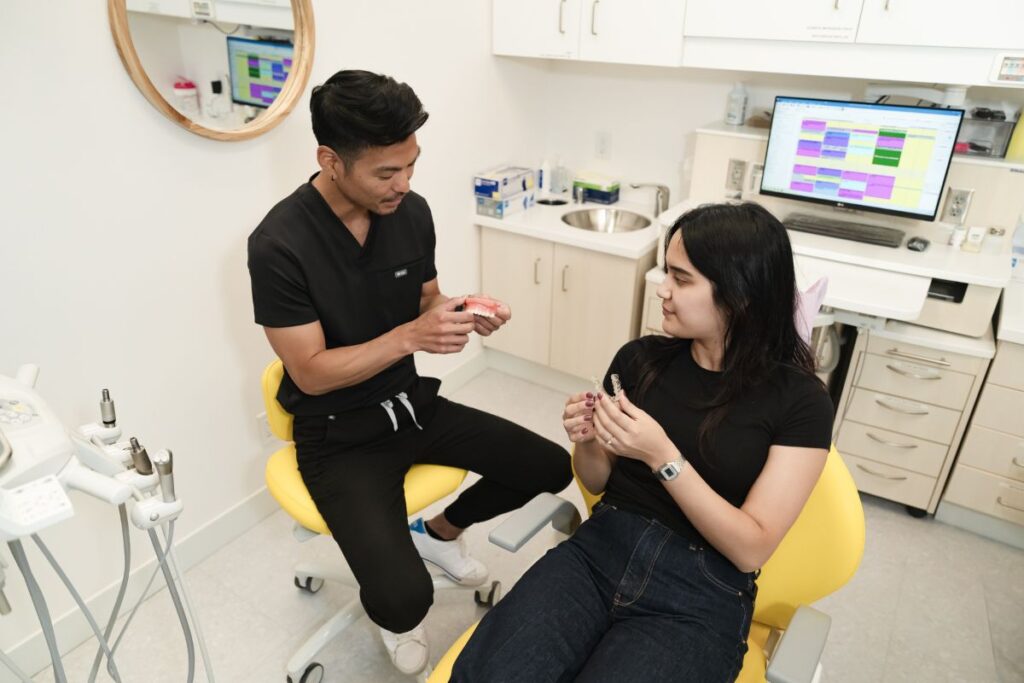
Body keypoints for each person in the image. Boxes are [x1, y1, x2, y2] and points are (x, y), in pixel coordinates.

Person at [246, 69, 572, 675]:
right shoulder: (279, 245)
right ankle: (400, 592)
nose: (404, 184)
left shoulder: (411, 213)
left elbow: (426, 298)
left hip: (410, 405)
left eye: (412, 165)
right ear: (331, 160)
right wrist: (408, 337)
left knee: (552, 465)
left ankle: (439, 533)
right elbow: (312, 375)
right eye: (387, 172)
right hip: (338, 434)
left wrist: (458, 311)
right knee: (403, 601)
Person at [452, 202, 834, 682]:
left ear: (740, 294)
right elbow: (597, 479)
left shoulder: (799, 401)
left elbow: (751, 549)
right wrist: (588, 441)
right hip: (599, 552)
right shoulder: (641, 360)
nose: (663, 290)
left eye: (682, 278)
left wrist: (662, 456)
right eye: (665, 273)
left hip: (699, 594)